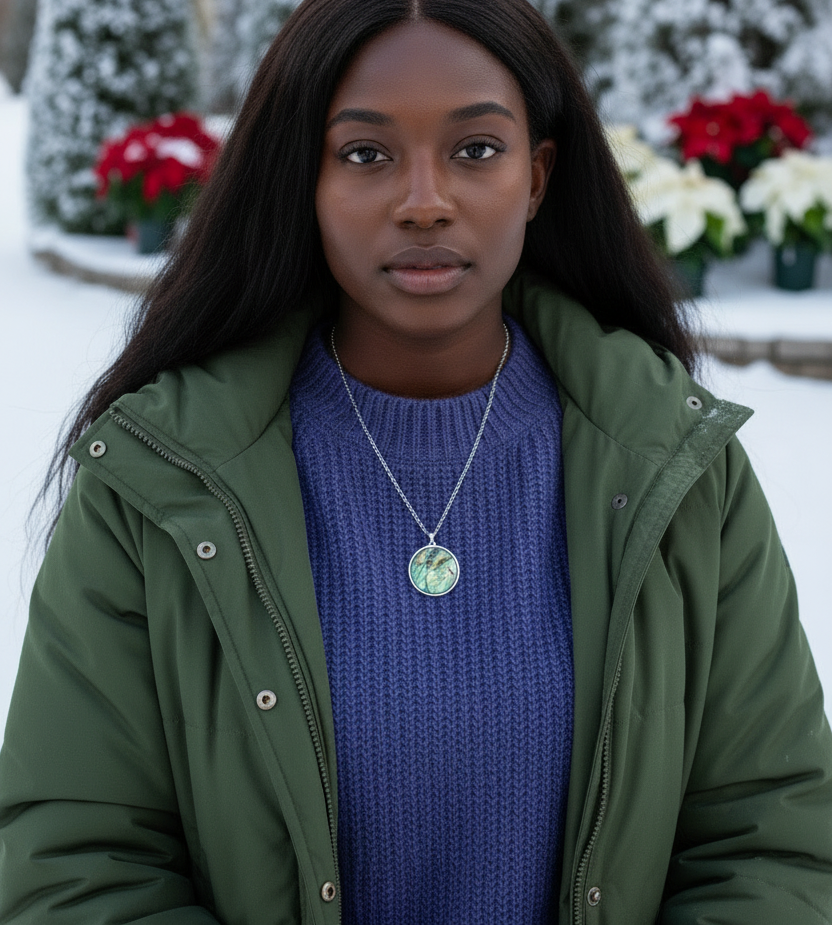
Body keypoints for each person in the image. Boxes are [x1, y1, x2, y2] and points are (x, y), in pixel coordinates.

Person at [2, 0, 831, 923]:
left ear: (537, 177)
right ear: (301, 179)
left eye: (476, 150)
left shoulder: (681, 469)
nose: (425, 201)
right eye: (365, 154)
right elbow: (76, 863)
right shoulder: (158, 483)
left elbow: (773, 838)